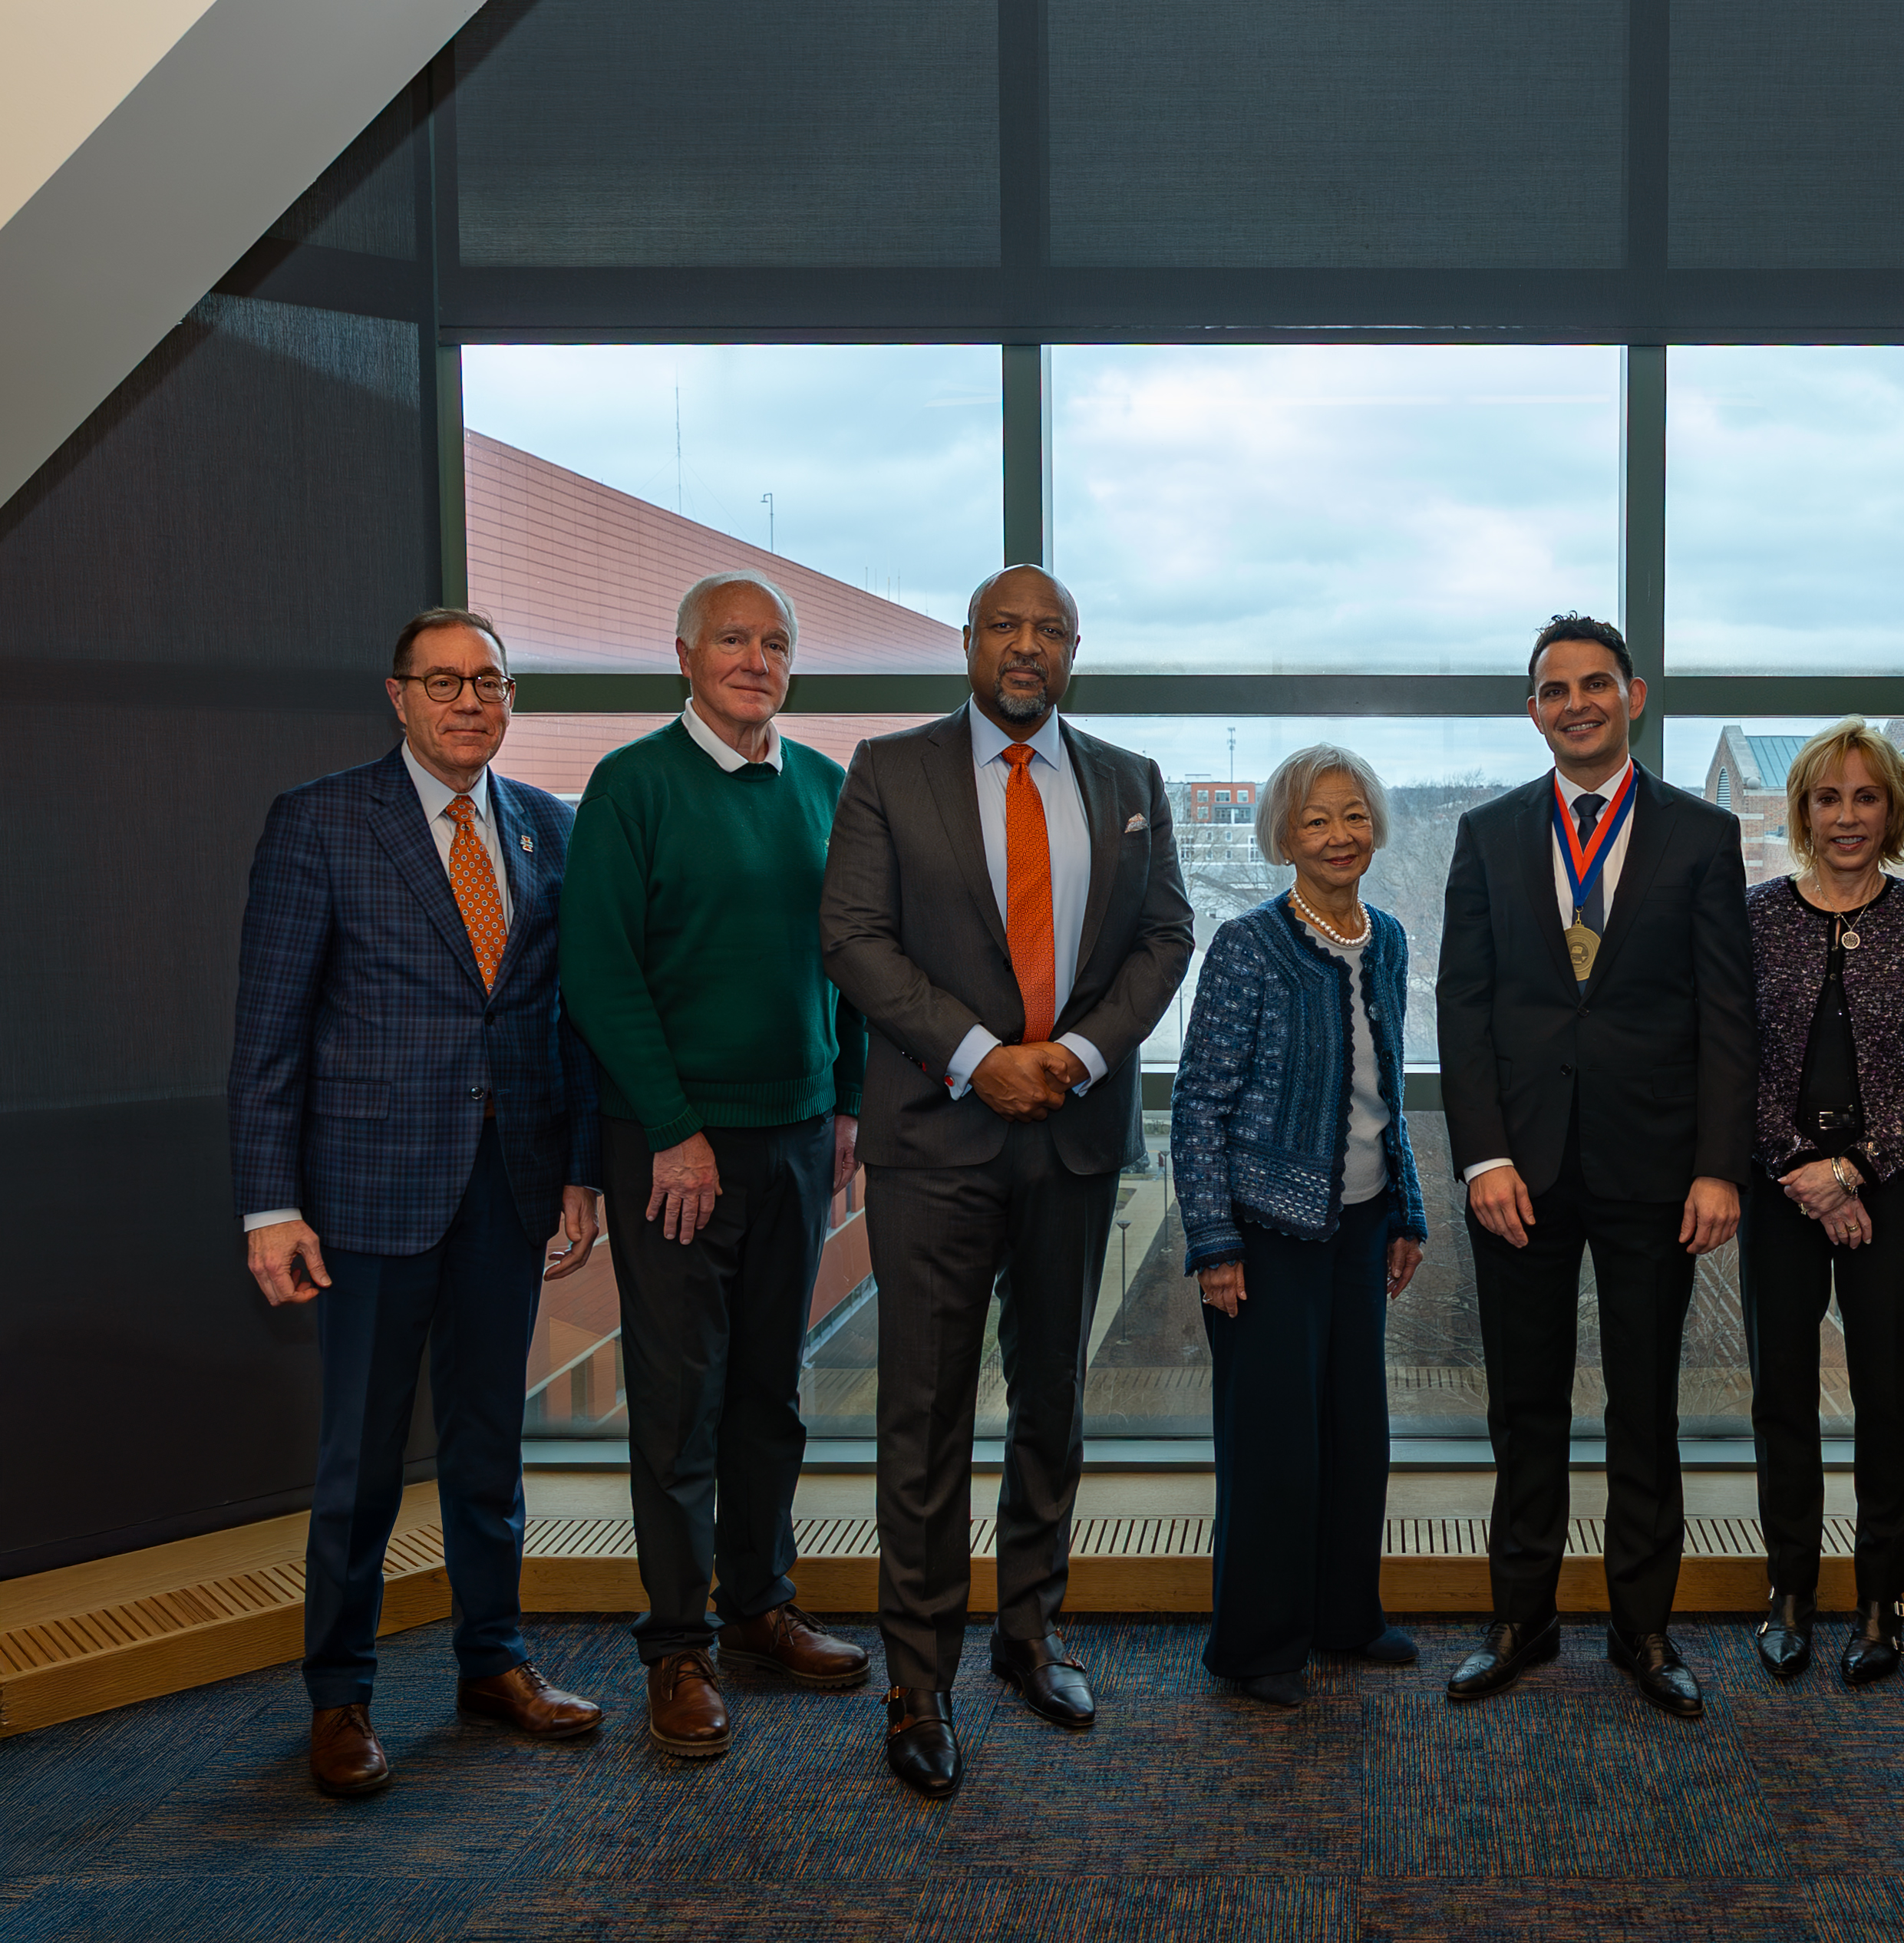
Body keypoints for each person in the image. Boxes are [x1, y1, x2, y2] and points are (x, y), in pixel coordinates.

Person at [821, 563, 1193, 1797]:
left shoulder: (1130, 784)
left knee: (1051, 1404)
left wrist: (1082, 1058)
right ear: (966, 642)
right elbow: (852, 939)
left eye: (1049, 630)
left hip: (1073, 1137)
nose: (1024, 647)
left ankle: (1030, 1634)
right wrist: (982, 1059)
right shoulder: (889, 770)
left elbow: (1164, 936)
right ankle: (916, 1681)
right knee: (921, 1419)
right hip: (937, 1139)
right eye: (1003, 627)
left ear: (1073, 653)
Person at [231, 607, 608, 1798]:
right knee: (359, 1466)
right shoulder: (321, 822)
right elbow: (268, 1033)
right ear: (396, 696)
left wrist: (581, 1172)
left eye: (489, 682)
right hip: (364, 1196)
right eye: (442, 682)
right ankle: (339, 1698)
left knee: (491, 1452)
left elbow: (568, 1021)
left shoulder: (552, 830)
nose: (468, 702)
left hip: (509, 1194)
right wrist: (266, 1208)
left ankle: (491, 1664)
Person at [559, 573, 871, 1759]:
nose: (755, 657)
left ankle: (758, 1609)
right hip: (673, 1149)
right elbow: (599, 972)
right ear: (683, 655)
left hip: (797, 1138)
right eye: (732, 639)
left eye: (774, 642)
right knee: (681, 1403)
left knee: (769, 1395)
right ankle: (676, 1650)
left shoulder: (823, 789)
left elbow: (845, 962)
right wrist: (672, 1126)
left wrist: (843, 1106)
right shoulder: (632, 785)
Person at [1436, 614, 1755, 1719]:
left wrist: (1719, 1168)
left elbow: (1728, 1015)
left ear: (1634, 696)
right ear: (1531, 711)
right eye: (1551, 689)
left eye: (1592, 685)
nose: (1572, 703)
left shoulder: (1703, 837)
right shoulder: (1485, 835)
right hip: (1515, 1174)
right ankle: (1518, 1620)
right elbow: (1462, 1009)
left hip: (1655, 1175)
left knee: (1642, 1410)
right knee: (1523, 1410)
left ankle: (1642, 1629)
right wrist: (1480, 1155)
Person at [1171, 746, 1428, 1708]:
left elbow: (1386, 1096)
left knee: (1354, 1434)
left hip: (1361, 1230)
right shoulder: (1248, 944)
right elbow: (1197, 1103)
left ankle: (1342, 1618)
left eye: (1353, 815)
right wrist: (1212, 1243)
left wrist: (1405, 1211)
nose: (1337, 835)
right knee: (1272, 1444)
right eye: (1316, 820)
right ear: (1284, 835)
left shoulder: (1390, 940)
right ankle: (1256, 1645)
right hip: (1263, 1238)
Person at [1740, 718, 1904, 1687]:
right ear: (1802, 810)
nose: (1846, 816)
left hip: (1891, 1189)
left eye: (1865, 797)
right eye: (1827, 798)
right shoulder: (1754, 919)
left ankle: (1881, 1601)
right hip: (1777, 1184)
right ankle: (1789, 1592)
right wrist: (1805, 1169)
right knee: (1781, 1393)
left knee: (1885, 1396)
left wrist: (1854, 1172)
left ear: (1892, 810)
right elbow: (1735, 1062)